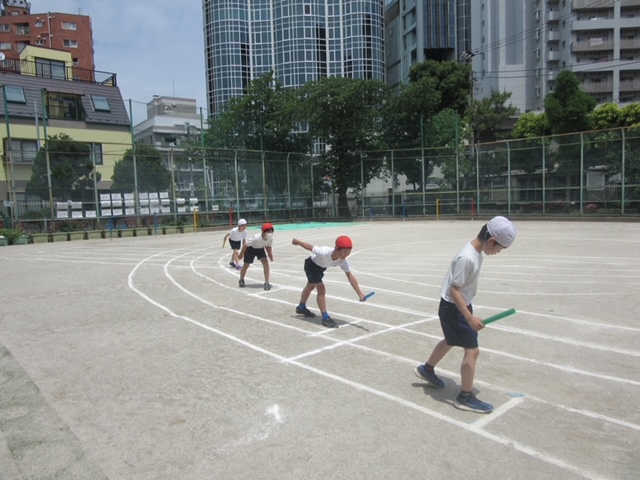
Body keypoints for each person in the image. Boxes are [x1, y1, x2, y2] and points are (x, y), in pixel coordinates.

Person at [414, 216, 517, 414]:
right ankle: (465, 396)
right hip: (454, 308)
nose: (498, 252)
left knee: (451, 340)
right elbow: (455, 290)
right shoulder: (468, 257)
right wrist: (469, 318)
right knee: (472, 350)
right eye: (500, 248)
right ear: (491, 240)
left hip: (456, 306)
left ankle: (426, 369)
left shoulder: (476, 252)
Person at [292, 235, 366, 328]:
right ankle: (325, 317)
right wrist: (297, 241)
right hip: (311, 266)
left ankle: (301, 307)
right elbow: (309, 247)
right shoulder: (324, 252)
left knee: (310, 286)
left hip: (320, 269)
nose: (346, 254)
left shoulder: (342, 261)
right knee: (321, 290)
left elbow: (349, 275)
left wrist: (360, 293)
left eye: (349, 251)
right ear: (336, 249)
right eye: (344, 251)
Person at [238, 222, 274, 291]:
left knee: (265, 263)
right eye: (268, 231)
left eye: (271, 231)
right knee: (246, 265)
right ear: (263, 232)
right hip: (250, 249)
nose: (270, 233)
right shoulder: (256, 238)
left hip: (260, 249)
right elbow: (246, 245)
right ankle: (241, 279)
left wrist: (270, 255)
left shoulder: (270, 238)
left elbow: (268, 246)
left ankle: (267, 282)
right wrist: (241, 254)